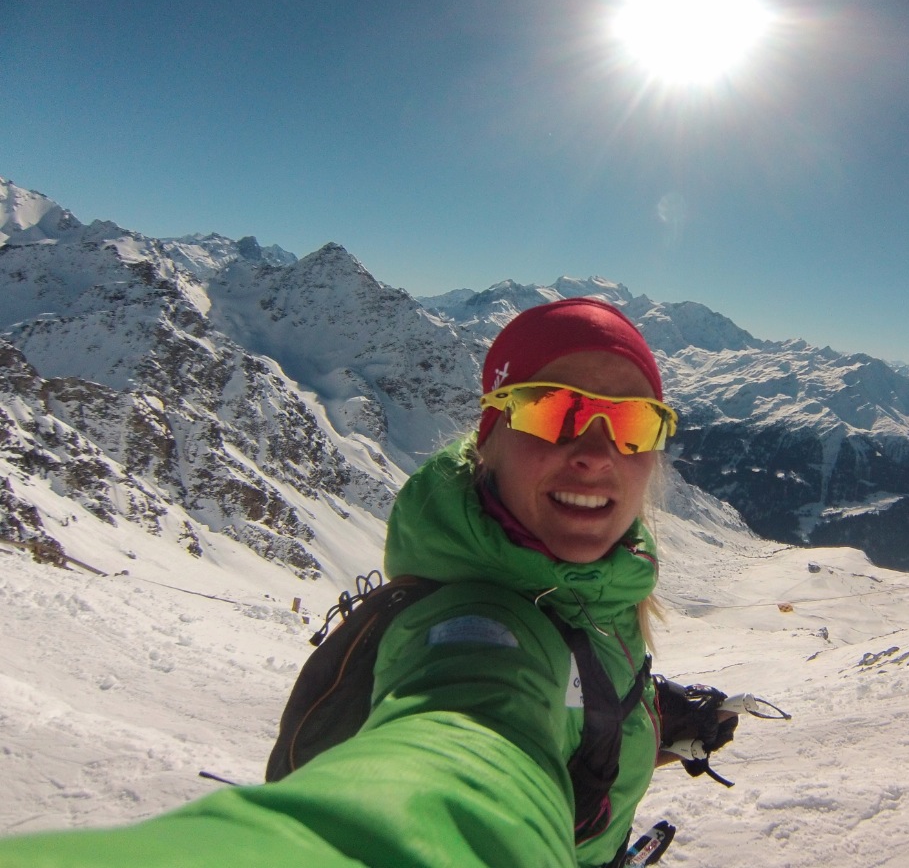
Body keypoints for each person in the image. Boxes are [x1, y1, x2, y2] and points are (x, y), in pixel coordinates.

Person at [0, 297, 738, 868]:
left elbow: (566, 691)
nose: (596, 452)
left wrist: (644, 715)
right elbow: (465, 753)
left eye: (634, 424)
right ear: (489, 433)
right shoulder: (482, 627)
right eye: (552, 411)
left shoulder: (587, 588)